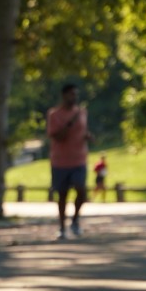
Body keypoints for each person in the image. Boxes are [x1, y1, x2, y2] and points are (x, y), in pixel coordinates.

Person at [46, 83, 89, 238]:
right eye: (71, 94)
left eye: (76, 94)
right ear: (64, 95)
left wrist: (87, 136)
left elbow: (82, 131)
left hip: (79, 159)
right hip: (60, 161)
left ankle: (75, 221)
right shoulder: (54, 114)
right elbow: (57, 136)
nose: (74, 97)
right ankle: (62, 227)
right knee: (62, 195)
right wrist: (70, 123)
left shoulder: (82, 113)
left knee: (81, 189)